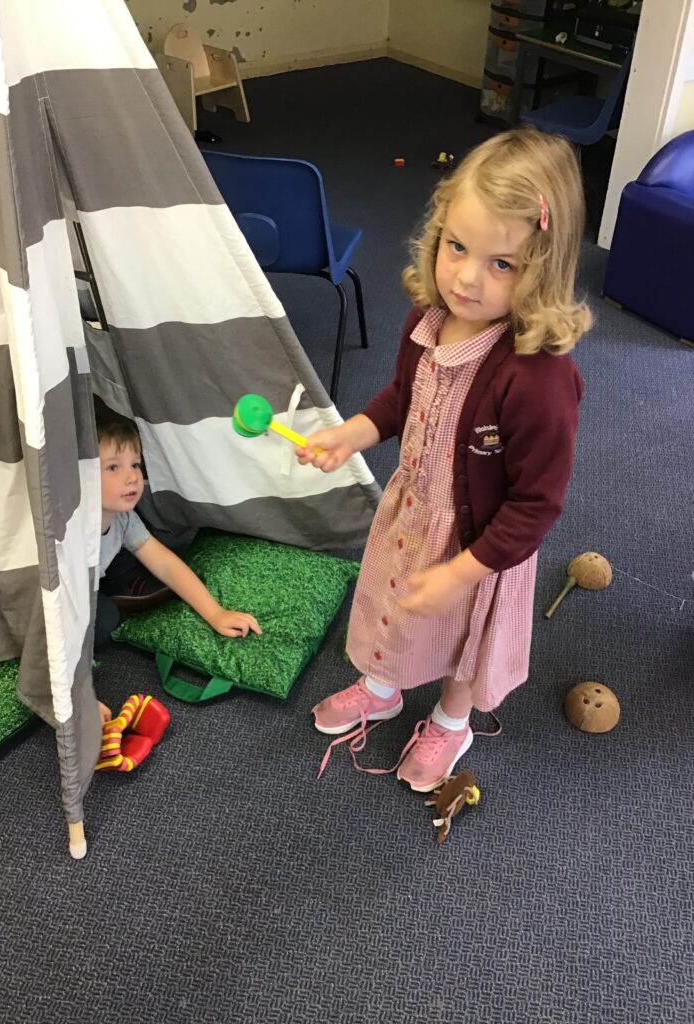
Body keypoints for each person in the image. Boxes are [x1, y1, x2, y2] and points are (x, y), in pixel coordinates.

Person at [296, 126, 590, 791]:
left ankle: (452, 723)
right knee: (392, 600)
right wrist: (354, 433)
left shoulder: (538, 381)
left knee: (464, 640)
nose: (465, 277)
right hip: (414, 508)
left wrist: (464, 570)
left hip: (482, 545)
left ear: (542, 271)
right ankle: (383, 687)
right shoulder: (426, 320)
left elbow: (537, 504)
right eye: (457, 246)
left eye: (501, 264)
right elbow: (405, 395)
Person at [96, 419, 261, 722]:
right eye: (113, 467)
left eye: (135, 464)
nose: (132, 477)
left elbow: (165, 563)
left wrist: (215, 613)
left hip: (90, 578)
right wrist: (76, 697)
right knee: (102, 618)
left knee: (121, 578)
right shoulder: (70, 538)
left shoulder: (122, 517)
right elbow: (54, 622)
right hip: (40, 605)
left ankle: (115, 581)